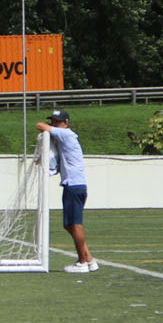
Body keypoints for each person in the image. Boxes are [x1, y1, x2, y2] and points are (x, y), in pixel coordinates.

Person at [38, 108, 97, 274]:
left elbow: (40, 125)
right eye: (53, 121)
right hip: (72, 185)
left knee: (75, 224)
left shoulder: (67, 134)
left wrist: (49, 127)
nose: (54, 124)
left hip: (74, 185)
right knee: (69, 225)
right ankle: (90, 259)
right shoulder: (63, 136)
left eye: (57, 121)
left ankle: (82, 262)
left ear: (66, 123)